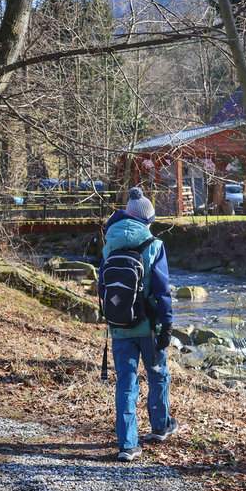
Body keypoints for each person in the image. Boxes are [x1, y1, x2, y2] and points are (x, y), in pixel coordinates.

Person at [98, 187, 177, 462]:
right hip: (149, 326)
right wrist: (167, 325)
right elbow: (162, 291)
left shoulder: (109, 243)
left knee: (126, 384)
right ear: (147, 220)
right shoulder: (153, 244)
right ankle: (160, 426)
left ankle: (127, 445)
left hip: (119, 327)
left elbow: (102, 287)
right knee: (157, 374)